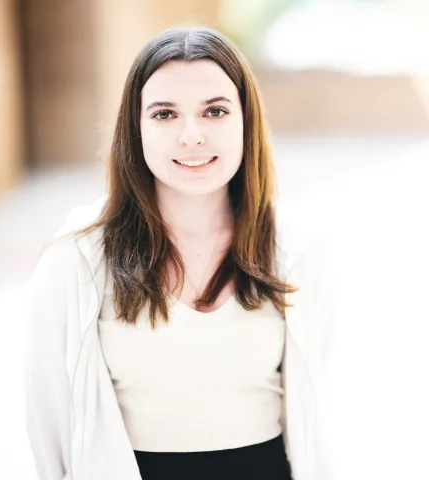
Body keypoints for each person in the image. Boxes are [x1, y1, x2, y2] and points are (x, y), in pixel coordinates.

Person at [24, 26, 336, 480]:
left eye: (215, 110)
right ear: (136, 128)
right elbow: (51, 436)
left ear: (245, 120)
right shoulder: (76, 260)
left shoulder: (297, 251)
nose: (192, 136)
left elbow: (315, 420)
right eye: (165, 114)